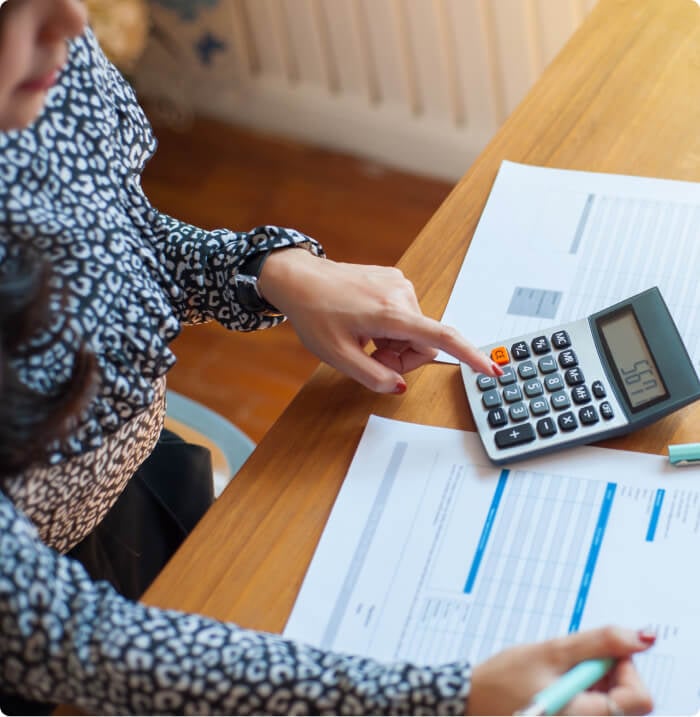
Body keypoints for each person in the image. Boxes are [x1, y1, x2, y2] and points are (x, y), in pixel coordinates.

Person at [0, 0, 656, 714]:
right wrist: (451, 699)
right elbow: (58, 637)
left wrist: (273, 271)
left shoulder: (40, 56)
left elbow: (109, 241)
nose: (73, 19)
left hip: (133, 495)